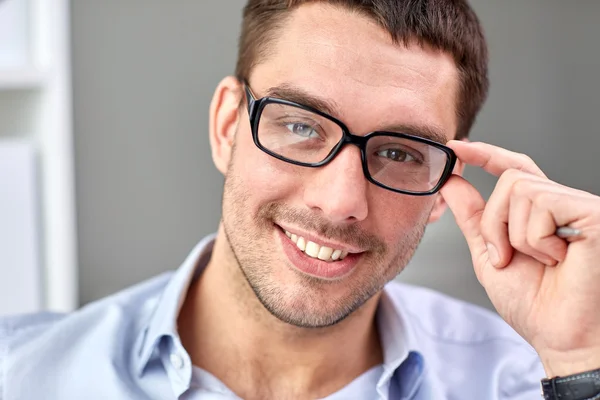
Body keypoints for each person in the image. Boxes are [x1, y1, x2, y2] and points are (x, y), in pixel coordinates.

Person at [3, 1, 600, 399]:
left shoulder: (534, 381)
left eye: (399, 152)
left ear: (442, 189)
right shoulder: (22, 374)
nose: (342, 201)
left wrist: (581, 358)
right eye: (302, 125)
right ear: (227, 125)